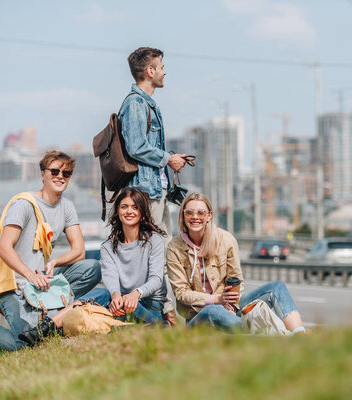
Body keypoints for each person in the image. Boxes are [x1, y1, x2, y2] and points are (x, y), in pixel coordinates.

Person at [0, 151, 101, 358]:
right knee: (30, 343)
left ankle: (57, 315)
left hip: (41, 281)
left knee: (93, 268)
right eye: (55, 171)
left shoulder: (67, 206)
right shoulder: (23, 204)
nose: (61, 176)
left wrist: (55, 262)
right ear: (43, 174)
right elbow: (4, 247)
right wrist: (30, 275)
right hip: (12, 285)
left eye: (66, 173)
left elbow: (79, 251)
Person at [166, 193, 307, 333]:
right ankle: (269, 334)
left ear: (209, 215)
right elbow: (181, 293)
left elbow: (236, 279)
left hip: (228, 307)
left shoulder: (226, 240)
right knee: (212, 310)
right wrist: (217, 299)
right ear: (183, 216)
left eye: (201, 213)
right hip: (198, 317)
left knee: (277, 287)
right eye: (189, 213)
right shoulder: (174, 247)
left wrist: (231, 306)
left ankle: (299, 335)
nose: (195, 217)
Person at [120, 46, 187, 324]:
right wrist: (168, 158)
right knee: (153, 254)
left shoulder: (146, 103)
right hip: (146, 193)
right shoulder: (135, 103)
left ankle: (167, 310)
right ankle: (163, 312)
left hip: (155, 190)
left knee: (162, 251)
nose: (164, 71)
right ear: (150, 71)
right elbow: (136, 146)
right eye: (160, 67)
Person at [79, 187, 168, 324]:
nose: (129, 211)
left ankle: (158, 326)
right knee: (102, 293)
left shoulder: (155, 240)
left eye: (135, 207)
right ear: (118, 212)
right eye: (124, 207)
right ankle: (64, 317)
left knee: (131, 305)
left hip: (149, 305)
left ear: (142, 213)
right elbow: (110, 277)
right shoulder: (107, 247)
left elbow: (156, 279)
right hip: (121, 303)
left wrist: (135, 294)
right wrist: (115, 295)